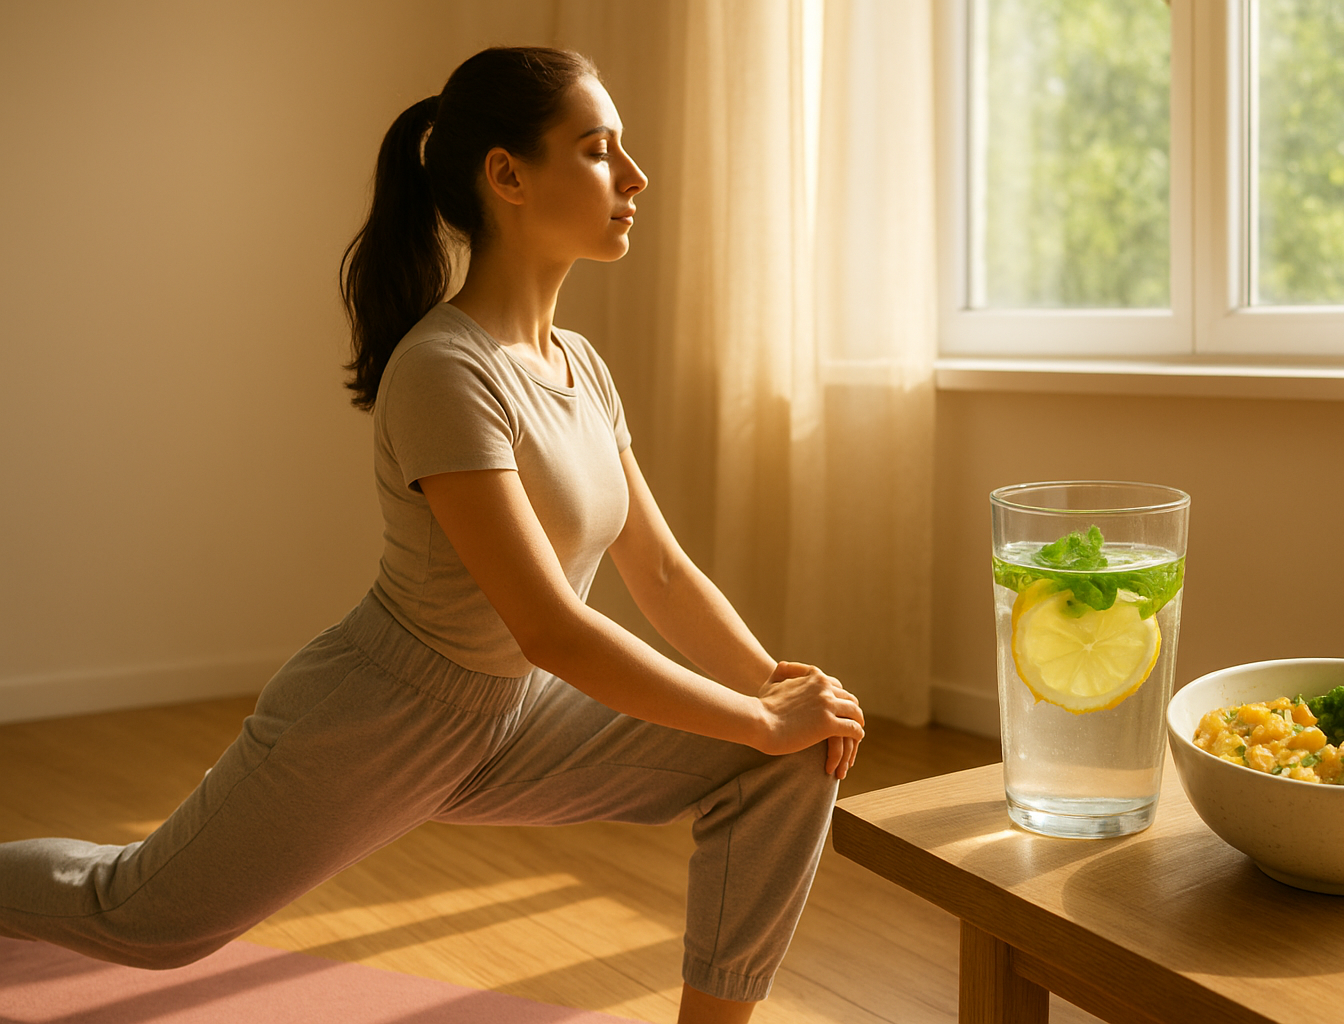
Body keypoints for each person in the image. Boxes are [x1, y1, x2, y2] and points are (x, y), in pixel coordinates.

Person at [0, 46, 864, 1024]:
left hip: (514, 716)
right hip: (379, 715)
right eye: (596, 149)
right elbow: (550, 627)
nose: (634, 176)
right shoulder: (444, 370)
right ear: (508, 176)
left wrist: (777, 692)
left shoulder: (578, 361)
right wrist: (758, 713)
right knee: (140, 918)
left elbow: (659, 569)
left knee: (788, 761)